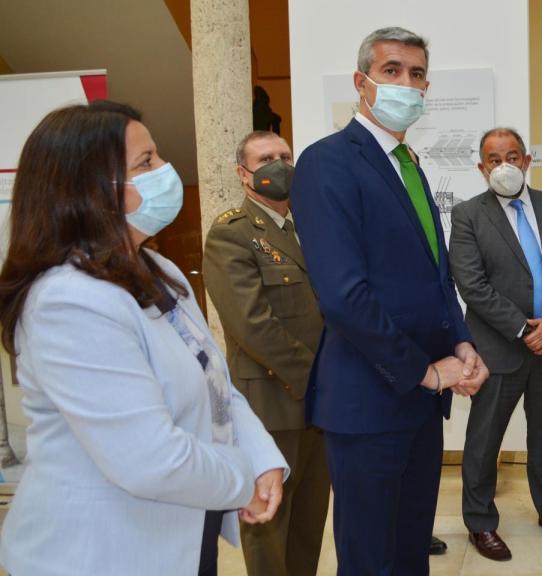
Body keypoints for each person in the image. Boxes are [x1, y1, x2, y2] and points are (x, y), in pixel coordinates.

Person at [0, 101, 287, 576]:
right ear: (92, 189)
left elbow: (215, 378)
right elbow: (149, 459)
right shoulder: (67, 300)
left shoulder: (158, 269)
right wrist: (243, 477)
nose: (165, 171)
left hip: (182, 530)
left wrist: (262, 459)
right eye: (146, 163)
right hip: (100, 551)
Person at [290, 27, 489, 576]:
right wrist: (426, 371)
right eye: (393, 71)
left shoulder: (409, 164)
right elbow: (343, 296)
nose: (408, 83)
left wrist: (462, 342)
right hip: (369, 400)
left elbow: (435, 277)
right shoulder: (327, 162)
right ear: (362, 82)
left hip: (420, 404)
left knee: (408, 551)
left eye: (417, 74)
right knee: (370, 559)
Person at [449, 127, 542, 561]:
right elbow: (471, 285)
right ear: (481, 167)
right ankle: (480, 522)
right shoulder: (469, 214)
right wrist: (525, 329)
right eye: (494, 158)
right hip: (498, 349)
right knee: (484, 440)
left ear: (528, 161)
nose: (504, 165)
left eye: (513, 156)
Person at [203, 131, 330, 576]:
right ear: (244, 174)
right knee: (269, 529)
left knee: (311, 521)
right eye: (266, 159)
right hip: (271, 403)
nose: (279, 165)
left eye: (285, 156)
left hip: (320, 402)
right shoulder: (231, 235)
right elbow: (253, 326)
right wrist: (320, 377)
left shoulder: (309, 227)